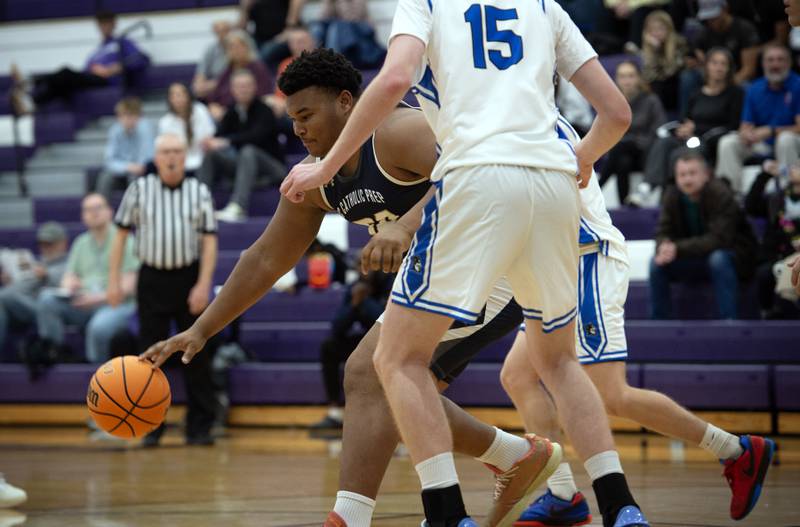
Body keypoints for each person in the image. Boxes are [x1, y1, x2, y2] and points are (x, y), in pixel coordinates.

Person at [142, 49, 561, 527]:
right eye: (292, 118)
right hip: (441, 273)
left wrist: (404, 227)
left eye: (307, 115)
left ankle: (352, 518)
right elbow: (265, 257)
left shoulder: (395, 133)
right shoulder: (317, 175)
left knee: (368, 373)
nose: (299, 129)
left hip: (496, 258)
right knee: (392, 397)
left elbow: (475, 170)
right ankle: (514, 457)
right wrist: (202, 329)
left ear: (346, 101)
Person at [280, 1, 646, 526]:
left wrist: (325, 168)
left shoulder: (426, 3)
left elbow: (393, 81)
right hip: (554, 183)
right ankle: (622, 509)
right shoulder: (544, 6)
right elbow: (618, 114)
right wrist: (581, 159)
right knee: (560, 364)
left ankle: (448, 515)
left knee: (395, 360)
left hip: (477, 178)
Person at [499, 117, 774, 526]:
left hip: (584, 259)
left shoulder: (536, 123)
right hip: (553, 267)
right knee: (517, 375)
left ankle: (734, 450)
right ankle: (561, 493)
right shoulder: (508, 121)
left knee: (612, 394)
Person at [108, 133, 219, 447]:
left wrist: (203, 284)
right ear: (156, 158)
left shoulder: (199, 191)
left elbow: (210, 242)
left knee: (196, 352)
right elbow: (119, 236)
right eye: (165, 152)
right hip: (152, 279)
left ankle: (200, 426)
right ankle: (149, 426)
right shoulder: (139, 190)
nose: (171, 157)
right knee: (149, 356)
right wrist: (113, 279)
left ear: (185, 156)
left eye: (176, 151)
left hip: (188, 278)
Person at [650, 150, 757, 320]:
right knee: (657, 264)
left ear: (706, 175)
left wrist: (676, 247)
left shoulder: (721, 193)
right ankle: (659, 323)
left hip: (735, 259)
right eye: (682, 174)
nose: (687, 179)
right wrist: (663, 246)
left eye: (692, 173)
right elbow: (663, 231)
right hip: (694, 258)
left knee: (718, 258)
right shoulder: (671, 195)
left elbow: (720, 239)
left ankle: (729, 321)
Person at [35, 193, 138, 363]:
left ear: (109, 212)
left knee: (98, 327)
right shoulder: (80, 243)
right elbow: (68, 277)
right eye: (88, 210)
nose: (94, 213)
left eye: (98, 208)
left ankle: (96, 375)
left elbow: (129, 287)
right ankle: (54, 354)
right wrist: (70, 285)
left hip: (116, 304)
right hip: (84, 302)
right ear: (83, 216)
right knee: (46, 300)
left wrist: (96, 299)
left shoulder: (125, 240)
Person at [634, 47, 743, 205]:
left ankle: (672, 196)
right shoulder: (696, 94)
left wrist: (697, 129)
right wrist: (683, 129)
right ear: (706, 66)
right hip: (691, 137)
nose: (718, 67)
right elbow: (685, 119)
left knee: (680, 153)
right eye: (714, 63)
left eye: (723, 64)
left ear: (729, 69)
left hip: (711, 141)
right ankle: (647, 187)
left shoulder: (735, 93)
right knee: (664, 142)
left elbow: (733, 126)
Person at [8, 11, 149, 115]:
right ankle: (32, 103)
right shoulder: (96, 51)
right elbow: (86, 70)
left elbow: (142, 58)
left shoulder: (122, 42)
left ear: (114, 23)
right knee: (61, 85)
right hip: (90, 78)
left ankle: (29, 81)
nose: (104, 26)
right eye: (101, 23)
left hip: (106, 80)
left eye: (107, 22)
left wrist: (114, 69)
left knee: (65, 72)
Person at [198, 70, 285, 223]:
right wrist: (210, 141)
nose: (243, 89)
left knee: (248, 150)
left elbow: (256, 136)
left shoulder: (264, 110)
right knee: (212, 154)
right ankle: (199, 206)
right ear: (232, 89)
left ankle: (238, 206)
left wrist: (227, 141)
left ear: (254, 87)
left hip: (272, 168)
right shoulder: (231, 111)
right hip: (244, 169)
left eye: (246, 85)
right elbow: (220, 134)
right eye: (239, 86)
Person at [715, 44, 800, 194]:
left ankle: (789, 195)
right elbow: (746, 125)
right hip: (762, 142)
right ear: (763, 64)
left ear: (789, 63)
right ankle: (731, 197)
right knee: (728, 142)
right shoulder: (755, 88)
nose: (775, 64)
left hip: (792, 141)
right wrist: (746, 134)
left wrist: (772, 131)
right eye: (770, 60)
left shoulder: (798, 85)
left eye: (780, 60)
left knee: (785, 139)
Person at [312, 271, 391, 430]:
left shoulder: (393, 283)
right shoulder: (356, 288)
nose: (365, 270)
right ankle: (335, 412)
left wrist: (366, 302)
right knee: (329, 347)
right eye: (361, 265)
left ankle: (390, 416)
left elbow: (388, 324)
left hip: (391, 343)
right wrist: (354, 303)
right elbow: (336, 328)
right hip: (367, 342)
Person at [598, 61, 666, 205]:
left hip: (647, 153)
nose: (627, 81)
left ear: (639, 78)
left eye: (631, 76)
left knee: (621, 146)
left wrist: (638, 141)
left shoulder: (651, 100)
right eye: (622, 77)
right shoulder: (613, 103)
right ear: (616, 79)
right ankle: (625, 204)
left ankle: (597, 187)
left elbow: (659, 129)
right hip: (622, 154)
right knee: (623, 161)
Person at [679, 0, 761, 114]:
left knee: (747, 88)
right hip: (712, 75)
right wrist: (695, 60)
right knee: (688, 77)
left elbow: (749, 70)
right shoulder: (704, 31)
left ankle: (743, 123)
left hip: (736, 76)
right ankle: (685, 120)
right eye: (707, 18)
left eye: (714, 17)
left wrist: (724, 84)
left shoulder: (744, 28)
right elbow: (692, 57)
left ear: (725, 9)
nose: (710, 21)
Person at [0, 223, 68, 352]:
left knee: (4, 297)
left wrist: (47, 275)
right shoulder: (37, 264)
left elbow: (67, 285)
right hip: (24, 307)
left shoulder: (69, 263)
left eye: (50, 243)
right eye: (42, 244)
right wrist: (11, 282)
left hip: (49, 309)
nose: (45, 248)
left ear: (62, 243)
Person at [745, 160, 800, 319]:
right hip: (778, 256)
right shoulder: (778, 199)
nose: (794, 169)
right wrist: (764, 175)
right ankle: (768, 313)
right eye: (794, 166)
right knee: (765, 273)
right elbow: (751, 206)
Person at [96, 97, 155, 200]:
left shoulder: (146, 129)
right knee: (105, 177)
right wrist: (127, 167)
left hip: (142, 172)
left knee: (134, 178)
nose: (127, 119)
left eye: (131, 115)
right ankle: (102, 208)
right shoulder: (114, 131)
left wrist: (136, 167)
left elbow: (148, 157)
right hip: (123, 171)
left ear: (139, 117)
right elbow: (109, 161)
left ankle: (136, 212)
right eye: (123, 116)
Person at [207, 29, 273, 121]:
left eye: (239, 46)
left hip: (252, 112)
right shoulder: (226, 70)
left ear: (247, 47)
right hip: (226, 114)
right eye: (232, 47)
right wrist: (213, 107)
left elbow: (265, 95)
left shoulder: (258, 68)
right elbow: (215, 96)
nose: (236, 50)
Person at [158, 83, 216, 172]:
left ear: (188, 95)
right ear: (169, 100)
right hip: (178, 164)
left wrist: (207, 142)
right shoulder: (165, 122)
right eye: (173, 96)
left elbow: (210, 135)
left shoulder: (200, 110)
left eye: (181, 94)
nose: (178, 99)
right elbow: (168, 147)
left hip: (204, 159)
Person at [639, 9, 688, 112]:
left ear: (669, 29)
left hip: (675, 85)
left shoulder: (680, 44)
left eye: (660, 28)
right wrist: (654, 51)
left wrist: (657, 52)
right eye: (652, 30)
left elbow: (670, 71)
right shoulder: (649, 49)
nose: (656, 33)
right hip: (660, 90)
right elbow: (649, 76)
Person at [239, 0, 306, 69]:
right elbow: (242, 27)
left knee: (264, 53)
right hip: (260, 38)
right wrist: (245, 8)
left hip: (284, 35)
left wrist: (289, 28)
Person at [192, 20, 233, 100]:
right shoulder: (211, 49)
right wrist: (199, 85)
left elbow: (233, 75)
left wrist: (213, 84)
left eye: (224, 31)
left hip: (229, 86)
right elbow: (201, 72)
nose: (222, 35)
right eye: (218, 32)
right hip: (211, 87)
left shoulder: (236, 48)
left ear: (230, 31)